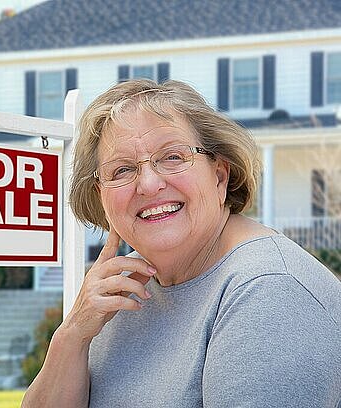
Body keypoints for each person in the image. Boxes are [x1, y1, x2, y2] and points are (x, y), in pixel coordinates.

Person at [21, 79, 341, 407]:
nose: (148, 184)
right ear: (100, 196)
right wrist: (72, 334)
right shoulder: (120, 294)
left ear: (219, 176)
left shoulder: (269, 291)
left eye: (172, 157)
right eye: (121, 170)